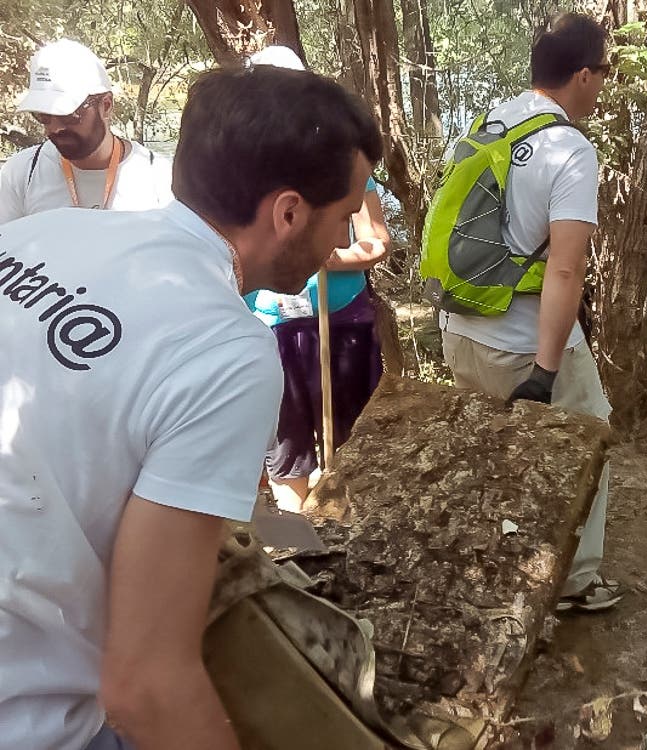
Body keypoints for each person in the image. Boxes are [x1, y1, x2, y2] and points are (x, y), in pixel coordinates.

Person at [0, 64, 382, 750]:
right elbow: (145, 686)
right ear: (288, 212)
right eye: (344, 217)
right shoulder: (226, 349)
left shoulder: (37, 238)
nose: (342, 239)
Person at [438, 12, 623, 613]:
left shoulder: (488, 125)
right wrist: (545, 372)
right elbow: (566, 270)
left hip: (461, 330)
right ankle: (573, 584)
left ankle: (497, 564)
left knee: (497, 451)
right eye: (603, 71)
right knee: (589, 433)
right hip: (524, 342)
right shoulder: (568, 148)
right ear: (583, 75)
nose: (603, 83)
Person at [243, 46, 391, 512]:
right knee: (287, 454)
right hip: (272, 325)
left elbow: (377, 242)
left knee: (356, 443)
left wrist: (326, 255)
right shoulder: (242, 171)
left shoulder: (344, 165)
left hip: (340, 319)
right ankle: (302, 555)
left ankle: (350, 541)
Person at [0, 39, 172, 223]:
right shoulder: (22, 173)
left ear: (106, 105)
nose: (55, 128)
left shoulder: (158, 177)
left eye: (69, 115)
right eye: (43, 116)